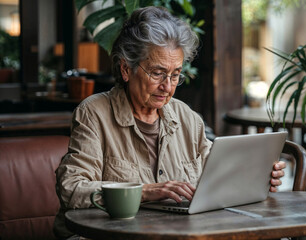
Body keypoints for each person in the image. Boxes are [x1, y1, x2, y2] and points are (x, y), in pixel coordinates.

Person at [53, 6, 286, 239]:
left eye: (175, 75)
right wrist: (144, 192)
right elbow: (72, 189)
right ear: (126, 69)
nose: (168, 86)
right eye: (157, 73)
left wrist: (256, 176)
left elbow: (217, 177)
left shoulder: (187, 118)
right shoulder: (94, 113)